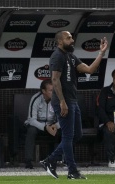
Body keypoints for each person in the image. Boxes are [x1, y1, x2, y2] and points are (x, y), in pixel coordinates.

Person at [40, 30, 108, 179]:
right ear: (59, 42)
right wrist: (62, 102)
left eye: (71, 37)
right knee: (68, 136)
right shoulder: (57, 56)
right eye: (68, 38)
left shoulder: (70, 56)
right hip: (63, 102)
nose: (72, 40)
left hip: (72, 101)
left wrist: (101, 53)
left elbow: (90, 69)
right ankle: (72, 171)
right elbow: (55, 80)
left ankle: (50, 160)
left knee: (77, 135)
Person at [24, 79, 60, 169]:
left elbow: (62, 119)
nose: (54, 92)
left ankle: (58, 160)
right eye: (51, 90)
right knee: (31, 130)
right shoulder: (36, 98)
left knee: (64, 130)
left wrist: (56, 126)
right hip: (37, 125)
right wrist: (45, 127)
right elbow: (31, 119)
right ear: (43, 91)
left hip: (51, 125)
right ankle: (28, 161)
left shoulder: (58, 99)